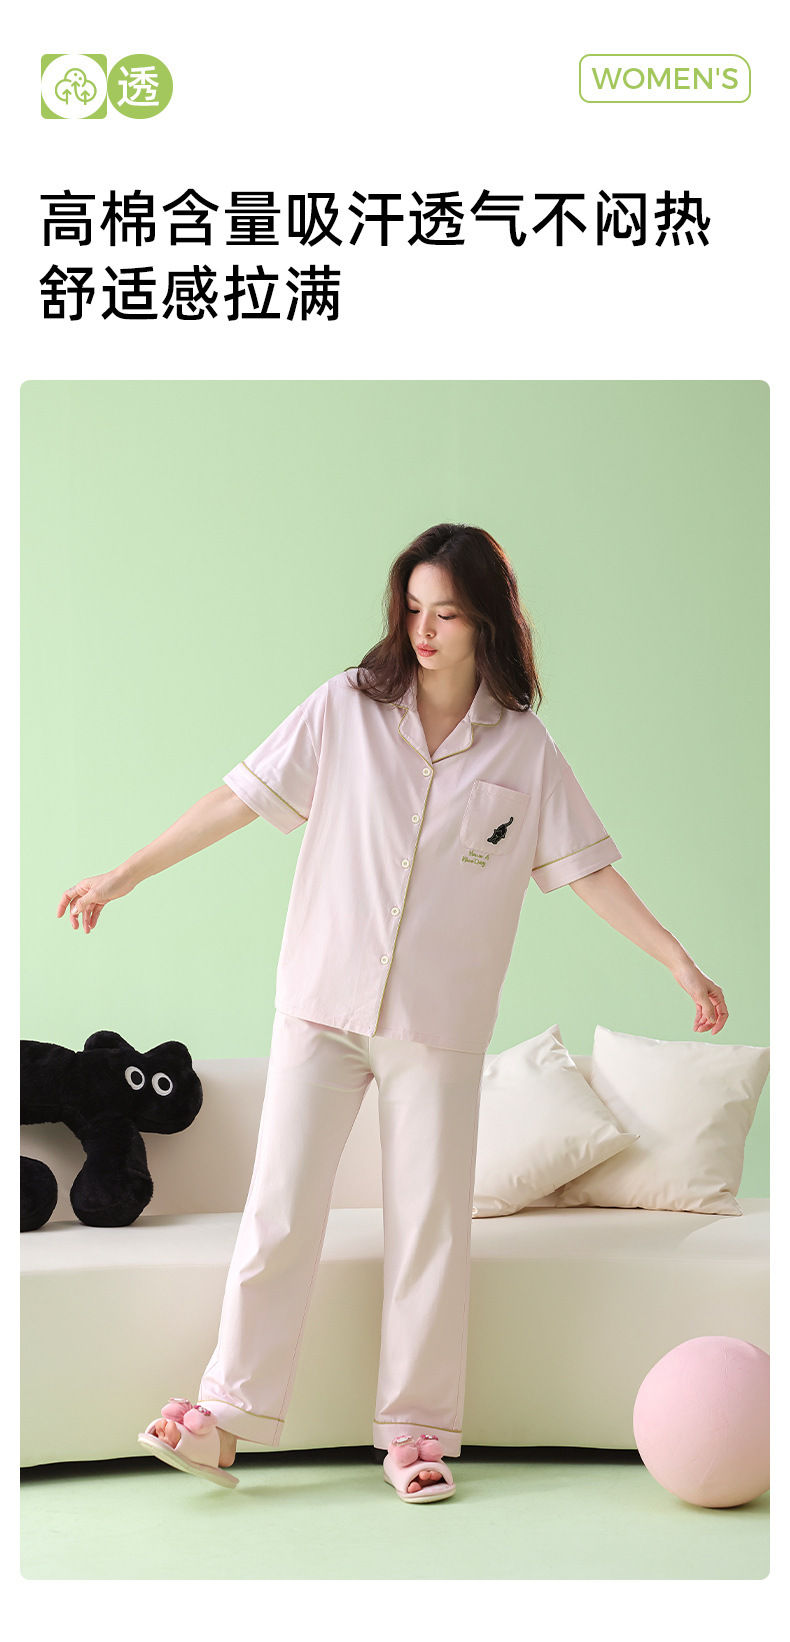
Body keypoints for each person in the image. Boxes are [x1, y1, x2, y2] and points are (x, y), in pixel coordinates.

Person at [56, 523, 728, 1500]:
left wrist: (678, 961)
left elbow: (587, 869)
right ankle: (226, 1419)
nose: (424, 629)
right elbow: (237, 797)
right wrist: (125, 874)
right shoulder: (346, 707)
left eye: (446, 613)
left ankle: (415, 1434)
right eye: (413, 608)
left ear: (486, 621)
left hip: (437, 1025)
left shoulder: (525, 749)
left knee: (428, 1229)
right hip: (321, 1004)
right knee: (280, 1208)